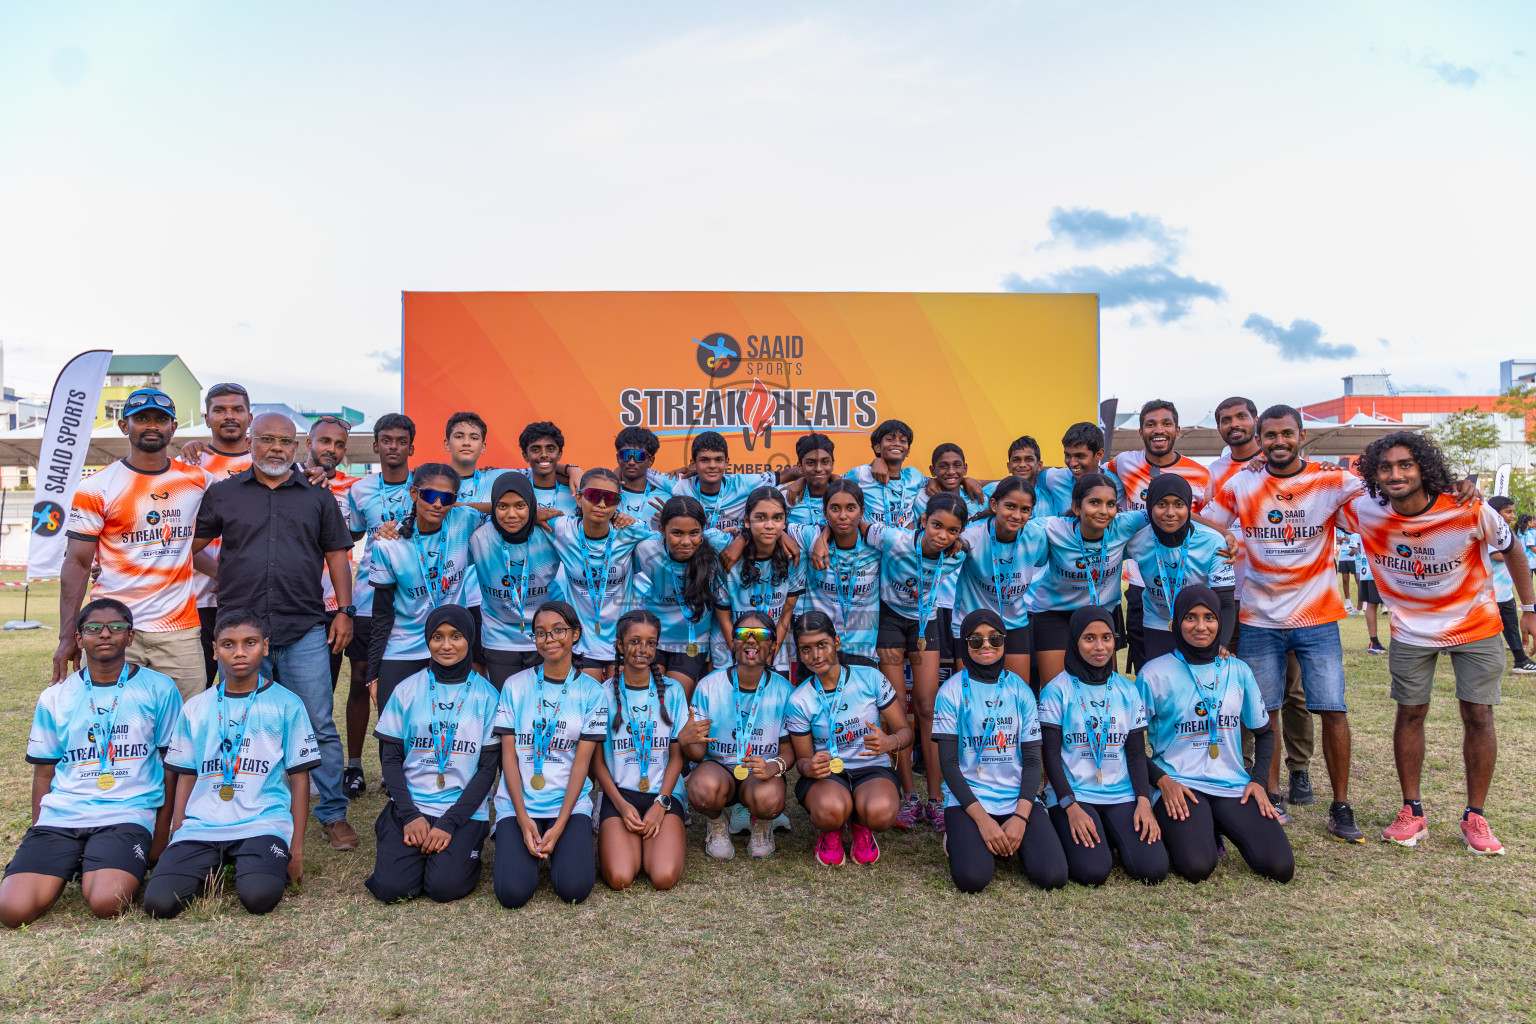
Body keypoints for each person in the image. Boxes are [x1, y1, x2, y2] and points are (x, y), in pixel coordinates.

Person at [1346, 431, 1535, 855]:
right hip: (1411, 631)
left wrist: (1529, 608)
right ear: (1375, 474)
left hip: (1476, 625)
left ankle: (1476, 816)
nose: (1395, 474)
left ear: (1424, 468)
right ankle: (1412, 810)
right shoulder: (1364, 510)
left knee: (1478, 715)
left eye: (1405, 465)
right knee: (1410, 713)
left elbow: (1514, 549)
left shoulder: (1468, 507)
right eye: (1386, 467)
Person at [193, 412, 360, 851]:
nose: (275, 448)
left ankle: (332, 813)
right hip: (242, 632)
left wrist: (344, 611)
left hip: (303, 625)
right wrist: (222, 574)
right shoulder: (224, 493)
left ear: (297, 446)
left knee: (318, 722)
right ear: (250, 442)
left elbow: (338, 556)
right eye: (266, 439)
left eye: (285, 441)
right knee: (245, 722)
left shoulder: (317, 498)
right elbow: (190, 548)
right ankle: (248, 806)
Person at [1204, 405, 1368, 843]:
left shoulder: (1330, 479)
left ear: (1301, 434)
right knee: (1265, 710)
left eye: (1286, 434)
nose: (1279, 441)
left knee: (1332, 708)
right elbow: (1206, 523)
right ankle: (1272, 798)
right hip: (1258, 615)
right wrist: (1228, 538)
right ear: (1260, 438)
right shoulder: (1242, 482)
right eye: (1270, 435)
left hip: (1318, 616)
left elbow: (1385, 493)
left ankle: (1340, 805)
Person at [0, 600, 182, 927]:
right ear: (79, 639)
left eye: (117, 627)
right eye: (93, 628)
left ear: (130, 636)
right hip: (64, 814)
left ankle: (97, 861)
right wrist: (40, 827)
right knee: (12, 911)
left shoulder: (159, 688)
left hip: (127, 812)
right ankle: (72, 857)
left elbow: (171, 766)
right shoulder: (56, 696)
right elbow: (44, 772)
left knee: (105, 903)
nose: (105, 634)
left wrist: (160, 835)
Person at [142, 612, 319, 918]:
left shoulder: (288, 704)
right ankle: (211, 861)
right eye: (228, 644)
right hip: (203, 825)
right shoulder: (196, 707)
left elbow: (300, 780)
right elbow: (185, 775)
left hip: (263, 822)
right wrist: (179, 831)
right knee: (159, 904)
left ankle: (251, 862)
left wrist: (296, 848)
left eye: (249, 643)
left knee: (259, 898)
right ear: (214, 650)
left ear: (264, 647)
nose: (239, 652)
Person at [56, 388, 214, 701]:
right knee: (111, 726)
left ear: (173, 427)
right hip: (112, 627)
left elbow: (249, 497)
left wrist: (309, 472)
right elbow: (77, 563)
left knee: (183, 729)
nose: (151, 425)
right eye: (141, 418)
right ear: (124, 426)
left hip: (178, 630)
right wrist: (67, 635)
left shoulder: (199, 480)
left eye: (160, 419)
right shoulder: (95, 487)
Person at [1206, 395, 1316, 820]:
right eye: (1225, 420)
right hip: (1228, 595)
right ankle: (1246, 765)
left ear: (1255, 423)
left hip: (1283, 595)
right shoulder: (1217, 472)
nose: (1234, 425)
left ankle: (1299, 769)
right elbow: (1205, 519)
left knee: (1293, 690)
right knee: (1239, 687)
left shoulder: (1278, 463)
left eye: (1240, 418)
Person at [1138, 587, 1294, 883]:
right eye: (1190, 618)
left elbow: (1265, 733)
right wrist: (1162, 781)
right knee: (1198, 867)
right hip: (1180, 785)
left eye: (1209, 617)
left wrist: (1258, 782)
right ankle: (1202, 828)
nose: (1200, 626)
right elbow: (1131, 744)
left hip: (1231, 784)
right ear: (1175, 624)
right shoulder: (1154, 674)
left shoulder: (1238, 671)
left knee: (1280, 867)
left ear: (1219, 623)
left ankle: (1216, 823)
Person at [835, 494, 968, 830]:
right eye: (936, 525)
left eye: (952, 531)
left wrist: (961, 541)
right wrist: (823, 537)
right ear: (923, 520)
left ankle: (936, 799)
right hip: (891, 623)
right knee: (896, 709)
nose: (942, 535)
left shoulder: (959, 551)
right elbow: (853, 522)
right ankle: (909, 796)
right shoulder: (892, 538)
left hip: (927, 625)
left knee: (927, 707)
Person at [366, 606, 500, 904]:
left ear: (470, 639)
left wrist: (450, 822)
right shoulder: (407, 690)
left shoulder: (488, 696)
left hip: (462, 811)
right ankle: (395, 833)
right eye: (437, 637)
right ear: (427, 640)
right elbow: (390, 759)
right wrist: (410, 814)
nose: (446, 645)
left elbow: (488, 769)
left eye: (456, 636)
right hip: (412, 806)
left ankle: (462, 853)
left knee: (444, 888)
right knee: (393, 889)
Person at [933, 609, 1069, 893]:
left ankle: (1009, 839)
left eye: (995, 639)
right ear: (964, 644)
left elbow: (1033, 762)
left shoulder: (1021, 691)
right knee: (973, 879)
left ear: (1005, 642)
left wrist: (1020, 817)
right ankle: (960, 835)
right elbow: (948, 765)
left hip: (1015, 797)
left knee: (1053, 875)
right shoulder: (950, 691)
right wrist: (982, 820)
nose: (986, 646)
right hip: (969, 800)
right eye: (976, 641)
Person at [491, 602, 609, 908]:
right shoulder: (515, 686)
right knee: (512, 894)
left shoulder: (592, 692)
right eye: (540, 633)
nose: (550, 639)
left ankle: (558, 841)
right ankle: (528, 840)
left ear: (575, 634)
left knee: (574, 889)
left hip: (566, 804)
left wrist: (559, 825)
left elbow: (582, 766)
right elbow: (509, 760)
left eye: (558, 630)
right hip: (519, 802)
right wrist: (521, 816)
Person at [1040, 607, 1166, 886]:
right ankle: (1074, 826)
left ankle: (1109, 831)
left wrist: (1144, 802)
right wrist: (1069, 806)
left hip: (1121, 794)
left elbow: (1134, 753)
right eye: (1089, 638)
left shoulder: (1126, 690)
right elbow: (1049, 756)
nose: (1100, 647)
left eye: (1107, 637)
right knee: (1092, 872)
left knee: (1154, 869)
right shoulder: (1056, 691)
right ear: (1074, 641)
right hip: (1075, 796)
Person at [786, 611, 911, 867]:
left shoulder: (870, 677)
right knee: (829, 811)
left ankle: (860, 825)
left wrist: (890, 742)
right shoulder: (799, 699)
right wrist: (810, 766)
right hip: (829, 775)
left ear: (837, 643)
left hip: (872, 769)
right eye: (806, 649)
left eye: (822, 645)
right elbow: (802, 761)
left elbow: (905, 731)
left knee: (882, 813)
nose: (816, 655)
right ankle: (830, 830)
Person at [340, 412, 417, 797]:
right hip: (368, 600)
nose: (393, 447)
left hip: (410, 601)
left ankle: (398, 769)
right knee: (359, 681)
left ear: (411, 447)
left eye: (400, 441)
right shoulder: (361, 488)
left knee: (406, 686)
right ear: (375, 446)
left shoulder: (426, 486)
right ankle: (354, 767)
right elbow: (348, 534)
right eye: (386, 440)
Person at [1107, 400, 1211, 676]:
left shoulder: (1200, 474)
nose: (1158, 430)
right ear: (1140, 432)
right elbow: (1094, 475)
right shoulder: (1124, 462)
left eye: (1166, 423)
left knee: (1194, 663)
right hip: (1144, 580)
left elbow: (1203, 522)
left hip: (1188, 579)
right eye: (1150, 424)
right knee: (1148, 666)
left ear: (1177, 429)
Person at [682, 612, 795, 860]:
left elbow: (789, 750)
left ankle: (762, 824)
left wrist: (774, 766)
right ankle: (717, 823)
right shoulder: (709, 687)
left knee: (770, 800)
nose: (751, 640)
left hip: (760, 775)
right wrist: (687, 740)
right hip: (719, 770)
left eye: (761, 635)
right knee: (701, 789)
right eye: (743, 634)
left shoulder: (784, 690)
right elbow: (698, 754)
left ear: (774, 646)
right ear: (733, 643)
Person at [367, 464, 482, 709]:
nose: (438, 504)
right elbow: (381, 614)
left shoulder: (464, 520)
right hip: (404, 647)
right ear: (414, 493)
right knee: (394, 732)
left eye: (447, 498)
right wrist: (372, 673)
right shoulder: (388, 543)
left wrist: (459, 506)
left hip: (451, 646)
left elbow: (508, 510)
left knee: (451, 727)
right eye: (430, 495)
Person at [592, 611, 689, 891]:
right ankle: (618, 829)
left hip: (663, 794)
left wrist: (662, 804)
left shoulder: (672, 691)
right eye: (634, 641)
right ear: (620, 646)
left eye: (650, 642)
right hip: (621, 794)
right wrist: (621, 806)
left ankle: (660, 834)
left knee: (663, 877)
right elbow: (597, 763)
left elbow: (676, 756)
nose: (643, 650)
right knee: (620, 878)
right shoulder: (603, 693)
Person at [1028, 474, 1148, 687]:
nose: (1104, 511)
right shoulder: (1053, 528)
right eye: (1095, 502)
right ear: (1076, 507)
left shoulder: (1124, 524)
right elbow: (1013, 522)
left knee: (1101, 688)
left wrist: (1225, 534)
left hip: (1100, 611)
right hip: (1054, 613)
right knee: (1055, 688)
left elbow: (1165, 509)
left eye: (1111, 504)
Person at [544, 468, 651, 676]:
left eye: (610, 498)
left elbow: (674, 537)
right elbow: (513, 512)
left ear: (618, 504)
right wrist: (569, 468)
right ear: (579, 499)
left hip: (623, 638)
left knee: (619, 705)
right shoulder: (563, 529)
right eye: (594, 496)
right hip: (583, 641)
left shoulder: (631, 530)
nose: (602, 504)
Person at [184, 382, 255, 686]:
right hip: (195, 601)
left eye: (237, 409)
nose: (229, 416)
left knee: (243, 691)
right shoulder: (187, 466)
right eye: (220, 410)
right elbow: (178, 535)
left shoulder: (266, 464)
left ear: (249, 417)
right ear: (206, 417)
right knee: (195, 692)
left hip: (250, 598)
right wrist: (222, 574)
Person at [1123, 474, 1235, 662]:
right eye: (1161, 504)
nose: (1170, 512)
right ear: (1150, 506)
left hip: (1198, 623)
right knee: (1161, 683)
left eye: (1179, 504)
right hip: (1158, 620)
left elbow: (1225, 602)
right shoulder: (1136, 539)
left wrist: (1221, 644)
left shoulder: (1212, 542)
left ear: (1188, 507)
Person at [470, 473, 564, 686]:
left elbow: (595, 523)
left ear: (532, 504)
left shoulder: (550, 531)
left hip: (547, 633)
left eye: (520, 506)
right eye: (502, 506)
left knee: (544, 704)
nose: (511, 514)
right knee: (506, 706)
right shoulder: (479, 537)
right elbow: (452, 509)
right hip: (500, 636)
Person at [952, 477, 1046, 683]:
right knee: (970, 694)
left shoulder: (1037, 537)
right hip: (972, 624)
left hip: (1014, 624)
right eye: (1010, 506)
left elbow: (1041, 560)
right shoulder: (971, 537)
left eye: (1025, 509)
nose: (1016, 515)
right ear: (994, 504)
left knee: (1018, 693)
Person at [632, 495, 728, 692]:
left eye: (694, 533)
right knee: (649, 698)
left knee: (674, 700)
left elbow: (752, 535)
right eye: (676, 533)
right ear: (661, 530)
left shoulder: (716, 544)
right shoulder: (646, 549)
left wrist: (742, 537)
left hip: (692, 643)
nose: (686, 542)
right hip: (652, 639)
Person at [788, 480, 882, 671]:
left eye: (850, 508)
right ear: (824, 513)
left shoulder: (876, 542)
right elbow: (774, 527)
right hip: (816, 651)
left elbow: (915, 542)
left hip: (862, 652)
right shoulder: (810, 536)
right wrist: (821, 538)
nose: (843, 516)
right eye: (834, 508)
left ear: (862, 512)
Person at [715, 487, 805, 675]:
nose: (770, 525)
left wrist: (769, 655)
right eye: (761, 517)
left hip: (773, 656)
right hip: (731, 655)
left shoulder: (795, 558)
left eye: (777, 518)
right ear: (746, 520)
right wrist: (739, 654)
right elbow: (723, 616)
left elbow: (786, 614)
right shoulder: (728, 556)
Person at [305, 417, 365, 691]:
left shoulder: (356, 487)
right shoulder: (286, 477)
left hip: (333, 606)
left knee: (323, 692)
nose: (332, 449)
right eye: (325, 441)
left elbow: (355, 535)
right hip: (293, 601)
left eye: (339, 444)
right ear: (308, 443)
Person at [670, 431, 785, 532]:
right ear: (693, 463)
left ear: (727, 462)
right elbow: (650, 472)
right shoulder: (679, 483)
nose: (712, 466)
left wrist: (799, 482)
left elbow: (792, 473)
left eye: (718, 460)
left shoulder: (742, 484)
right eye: (704, 460)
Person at [1486, 497, 1536, 673]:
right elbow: (1495, 556)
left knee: (1512, 625)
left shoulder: (1506, 531)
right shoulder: (1492, 533)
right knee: (1493, 629)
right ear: (1494, 514)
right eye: (1508, 512)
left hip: (1505, 593)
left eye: (1513, 512)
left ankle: (1520, 660)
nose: (1512, 516)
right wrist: (1514, 553)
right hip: (1491, 594)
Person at [1033, 422, 1119, 522]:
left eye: (1080, 456)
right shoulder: (1053, 478)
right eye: (1068, 455)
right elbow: (1030, 472)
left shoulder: (1118, 482)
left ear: (1099, 454)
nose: (1073, 463)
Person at [847, 419, 926, 527]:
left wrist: (934, 483)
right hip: (871, 542)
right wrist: (875, 461)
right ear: (877, 447)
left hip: (905, 542)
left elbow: (935, 482)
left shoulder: (914, 476)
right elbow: (835, 481)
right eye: (890, 439)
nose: (897, 444)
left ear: (908, 451)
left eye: (903, 441)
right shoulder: (862, 474)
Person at [613, 426, 674, 527]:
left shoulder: (666, 500)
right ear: (618, 458)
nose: (631, 462)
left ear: (651, 461)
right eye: (625, 454)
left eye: (640, 456)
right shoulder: (607, 495)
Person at [519, 421, 580, 518]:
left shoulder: (575, 494)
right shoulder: (515, 492)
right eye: (535, 450)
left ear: (559, 454)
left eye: (550, 449)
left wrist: (572, 469)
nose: (544, 455)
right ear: (525, 456)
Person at [784, 433, 837, 528]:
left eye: (825, 462)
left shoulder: (846, 493)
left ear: (832, 464)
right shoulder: (786, 496)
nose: (818, 468)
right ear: (800, 467)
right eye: (810, 463)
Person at [1358, 535, 1388, 656]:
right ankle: (1374, 642)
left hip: (1366, 568)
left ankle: (1373, 641)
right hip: (1378, 567)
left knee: (1371, 604)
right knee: (1374, 603)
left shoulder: (1363, 521)